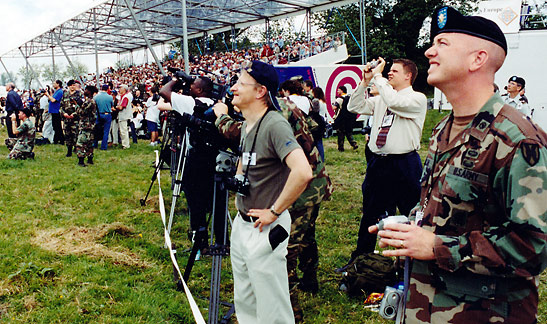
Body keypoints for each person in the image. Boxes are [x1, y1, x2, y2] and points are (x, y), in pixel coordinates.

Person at [372, 7, 547, 323]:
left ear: (477, 59)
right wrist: (411, 226)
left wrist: (438, 246)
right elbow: (440, 206)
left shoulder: (518, 138)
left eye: (443, 43)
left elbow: (534, 246)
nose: (429, 51)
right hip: (427, 307)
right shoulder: (443, 129)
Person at [212, 61, 313, 324]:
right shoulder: (249, 124)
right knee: (245, 300)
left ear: (260, 91)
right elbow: (247, 161)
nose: (233, 88)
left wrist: (274, 211)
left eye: (240, 83)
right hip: (244, 225)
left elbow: (302, 172)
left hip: (265, 227)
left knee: (272, 308)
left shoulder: (274, 124)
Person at [338, 57, 427, 271]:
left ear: (408, 76)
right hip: (379, 163)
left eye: (394, 71)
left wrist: (377, 77)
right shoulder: (381, 99)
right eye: (389, 71)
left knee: (410, 213)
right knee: (370, 212)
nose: (389, 73)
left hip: (405, 163)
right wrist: (365, 82)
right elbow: (354, 105)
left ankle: (412, 265)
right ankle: (360, 260)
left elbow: (395, 102)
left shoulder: (417, 98)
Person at [159, 75, 220, 248]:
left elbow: (164, 91)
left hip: (195, 158)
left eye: (193, 85)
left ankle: (198, 236)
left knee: (195, 198)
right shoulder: (217, 104)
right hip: (215, 157)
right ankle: (220, 239)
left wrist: (177, 80)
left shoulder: (189, 103)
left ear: (199, 90)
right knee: (213, 198)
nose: (189, 87)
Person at [75, 86, 98, 167]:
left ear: (90, 92)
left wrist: (77, 105)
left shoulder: (89, 102)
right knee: (89, 144)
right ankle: (90, 159)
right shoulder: (91, 101)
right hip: (90, 125)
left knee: (81, 143)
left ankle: (81, 161)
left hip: (85, 125)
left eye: (86, 90)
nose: (85, 91)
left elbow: (81, 112)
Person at [60, 80, 84, 157]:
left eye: (74, 85)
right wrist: (64, 113)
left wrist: (74, 114)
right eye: (71, 85)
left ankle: (76, 149)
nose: (73, 87)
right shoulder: (65, 94)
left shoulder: (79, 94)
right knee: (67, 134)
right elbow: (61, 106)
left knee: (76, 134)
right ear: (69, 86)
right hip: (67, 118)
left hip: (75, 119)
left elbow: (81, 106)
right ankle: (69, 150)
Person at [333, 85, 358, 151]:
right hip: (349, 118)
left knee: (341, 133)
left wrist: (333, 104)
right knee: (348, 132)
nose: (337, 91)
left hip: (341, 118)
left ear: (342, 91)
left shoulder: (339, 99)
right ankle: (354, 143)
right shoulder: (349, 98)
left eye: (338, 90)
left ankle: (341, 148)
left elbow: (334, 107)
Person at [94, 84, 114, 150]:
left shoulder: (96, 97)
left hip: (98, 114)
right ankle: (103, 146)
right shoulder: (110, 97)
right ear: (108, 89)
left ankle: (95, 144)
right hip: (107, 114)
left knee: (96, 130)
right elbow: (112, 106)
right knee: (106, 131)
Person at [45, 80, 65, 145]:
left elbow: (53, 100)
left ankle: (61, 140)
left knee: (57, 126)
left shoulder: (60, 92)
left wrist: (47, 95)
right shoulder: (56, 92)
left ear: (58, 84)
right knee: (55, 126)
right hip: (53, 111)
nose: (53, 84)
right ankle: (56, 139)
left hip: (56, 111)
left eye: (54, 83)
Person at [116, 85, 133, 149]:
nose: (119, 89)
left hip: (124, 115)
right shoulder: (123, 97)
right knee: (123, 130)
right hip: (123, 116)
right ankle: (125, 143)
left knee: (123, 131)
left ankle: (126, 145)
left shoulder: (125, 97)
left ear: (124, 89)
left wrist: (116, 107)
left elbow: (121, 107)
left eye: (121, 88)